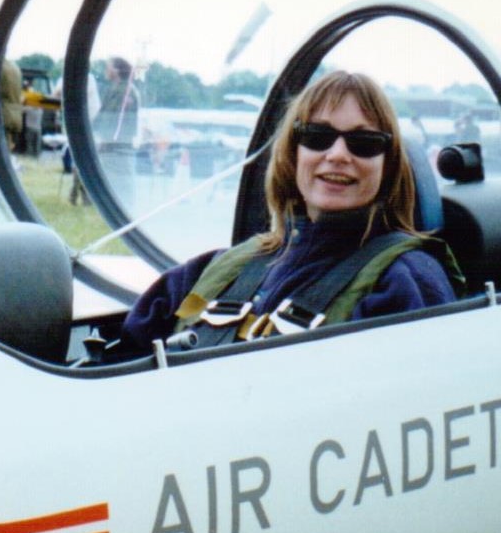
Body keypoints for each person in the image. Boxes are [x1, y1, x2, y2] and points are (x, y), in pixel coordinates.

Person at [119, 71, 461, 353]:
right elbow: (123, 356)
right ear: (293, 153)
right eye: (318, 136)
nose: (337, 154)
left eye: (364, 142)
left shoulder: (405, 281)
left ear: (388, 165)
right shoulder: (221, 268)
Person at [93, 57, 141, 146]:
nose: (106, 70)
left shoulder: (126, 91)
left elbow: (117, 121)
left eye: (108, 67)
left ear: (116, 70)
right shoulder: (114, 90)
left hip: (118, 145)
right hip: (109, 142)